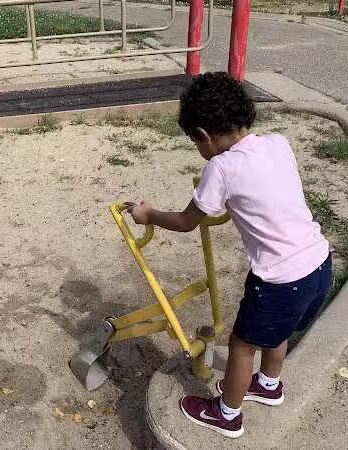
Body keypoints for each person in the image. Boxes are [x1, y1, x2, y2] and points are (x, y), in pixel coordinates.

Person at [126, 72, 332, 438]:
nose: (198, 148)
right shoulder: (278, 143)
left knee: (241, 344)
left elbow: (189, 221)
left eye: (195, 142)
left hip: (279, 279)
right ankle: (269, 386)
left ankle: (227, 415)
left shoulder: (219, 168)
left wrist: (148, 215)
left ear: (204, 135)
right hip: (317, 263)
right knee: (276, 331)